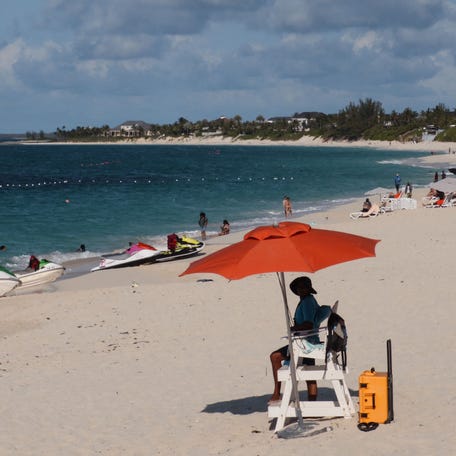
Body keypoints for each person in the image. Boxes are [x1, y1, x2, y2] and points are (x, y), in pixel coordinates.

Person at [269, 276, 331, 403]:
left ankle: (276, 393)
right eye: (299, 288)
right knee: (309, 369)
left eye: (304, 287)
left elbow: (308, 324)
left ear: (309, 289)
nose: (301, 290)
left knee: (275, 357)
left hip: (305, 343)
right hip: (310, 340)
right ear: (296, 290)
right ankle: (312, 402)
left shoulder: (307, 302)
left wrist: (293, 328)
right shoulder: (308, 300)